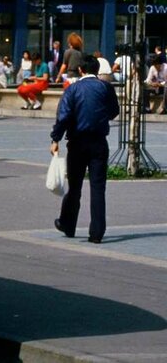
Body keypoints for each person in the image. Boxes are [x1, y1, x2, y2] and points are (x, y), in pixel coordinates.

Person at [51, 55, 119, 244]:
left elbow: (63, 116)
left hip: (77, 142)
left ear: (80, 70)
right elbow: (114, 111)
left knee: (75, 186)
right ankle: (96, 232)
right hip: (99, 142)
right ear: (97, 71)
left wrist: (55, 138)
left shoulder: (73, 89)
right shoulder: (106, 88)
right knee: (98, 188)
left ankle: (68, 224)